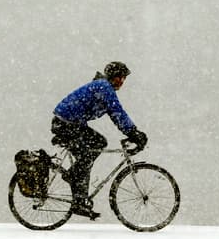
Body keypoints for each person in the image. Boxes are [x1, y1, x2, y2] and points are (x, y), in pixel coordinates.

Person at [51, 61, 148, 220]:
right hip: (65, 124)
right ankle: (74, 183)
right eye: (120, 77)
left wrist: (132, 131)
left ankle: (78, 193)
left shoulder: (102, 86)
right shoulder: (104, 87)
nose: (122, 82)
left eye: (124, 78)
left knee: (99, 144)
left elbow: (116, 113)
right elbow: (116, 112)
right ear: (113, 77)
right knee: (87, 155)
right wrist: (133, 132)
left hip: (70, 124)